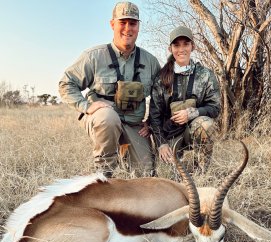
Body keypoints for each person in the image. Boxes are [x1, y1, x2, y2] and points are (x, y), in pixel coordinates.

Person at [59, 2, 161, 177]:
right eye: (122, 22)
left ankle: (124, 153)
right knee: (108, 118)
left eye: (133, 23)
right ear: (112, 24)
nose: (127, 28)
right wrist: (86, 106)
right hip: (104, 120)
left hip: (134, 124)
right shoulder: (93, 56)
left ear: (138, 26)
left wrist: (150, 122)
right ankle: (103, 172)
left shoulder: (150, 61)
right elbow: (66, 83)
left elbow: (161, 97)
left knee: (146, 174)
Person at [149, 26, 221, 173]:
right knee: (167, 174)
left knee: (206, 125)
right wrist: (162, 144)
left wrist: (192, 113)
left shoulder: (206, 75)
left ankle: (202, 171)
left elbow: (215, 108)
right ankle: (174, 157)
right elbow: (154, 115)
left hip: (193, 131)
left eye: (186, 44)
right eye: (176, 45)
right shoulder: (161, 78)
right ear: (170, 49)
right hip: (170, 135)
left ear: (192, 46)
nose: (181, 49)